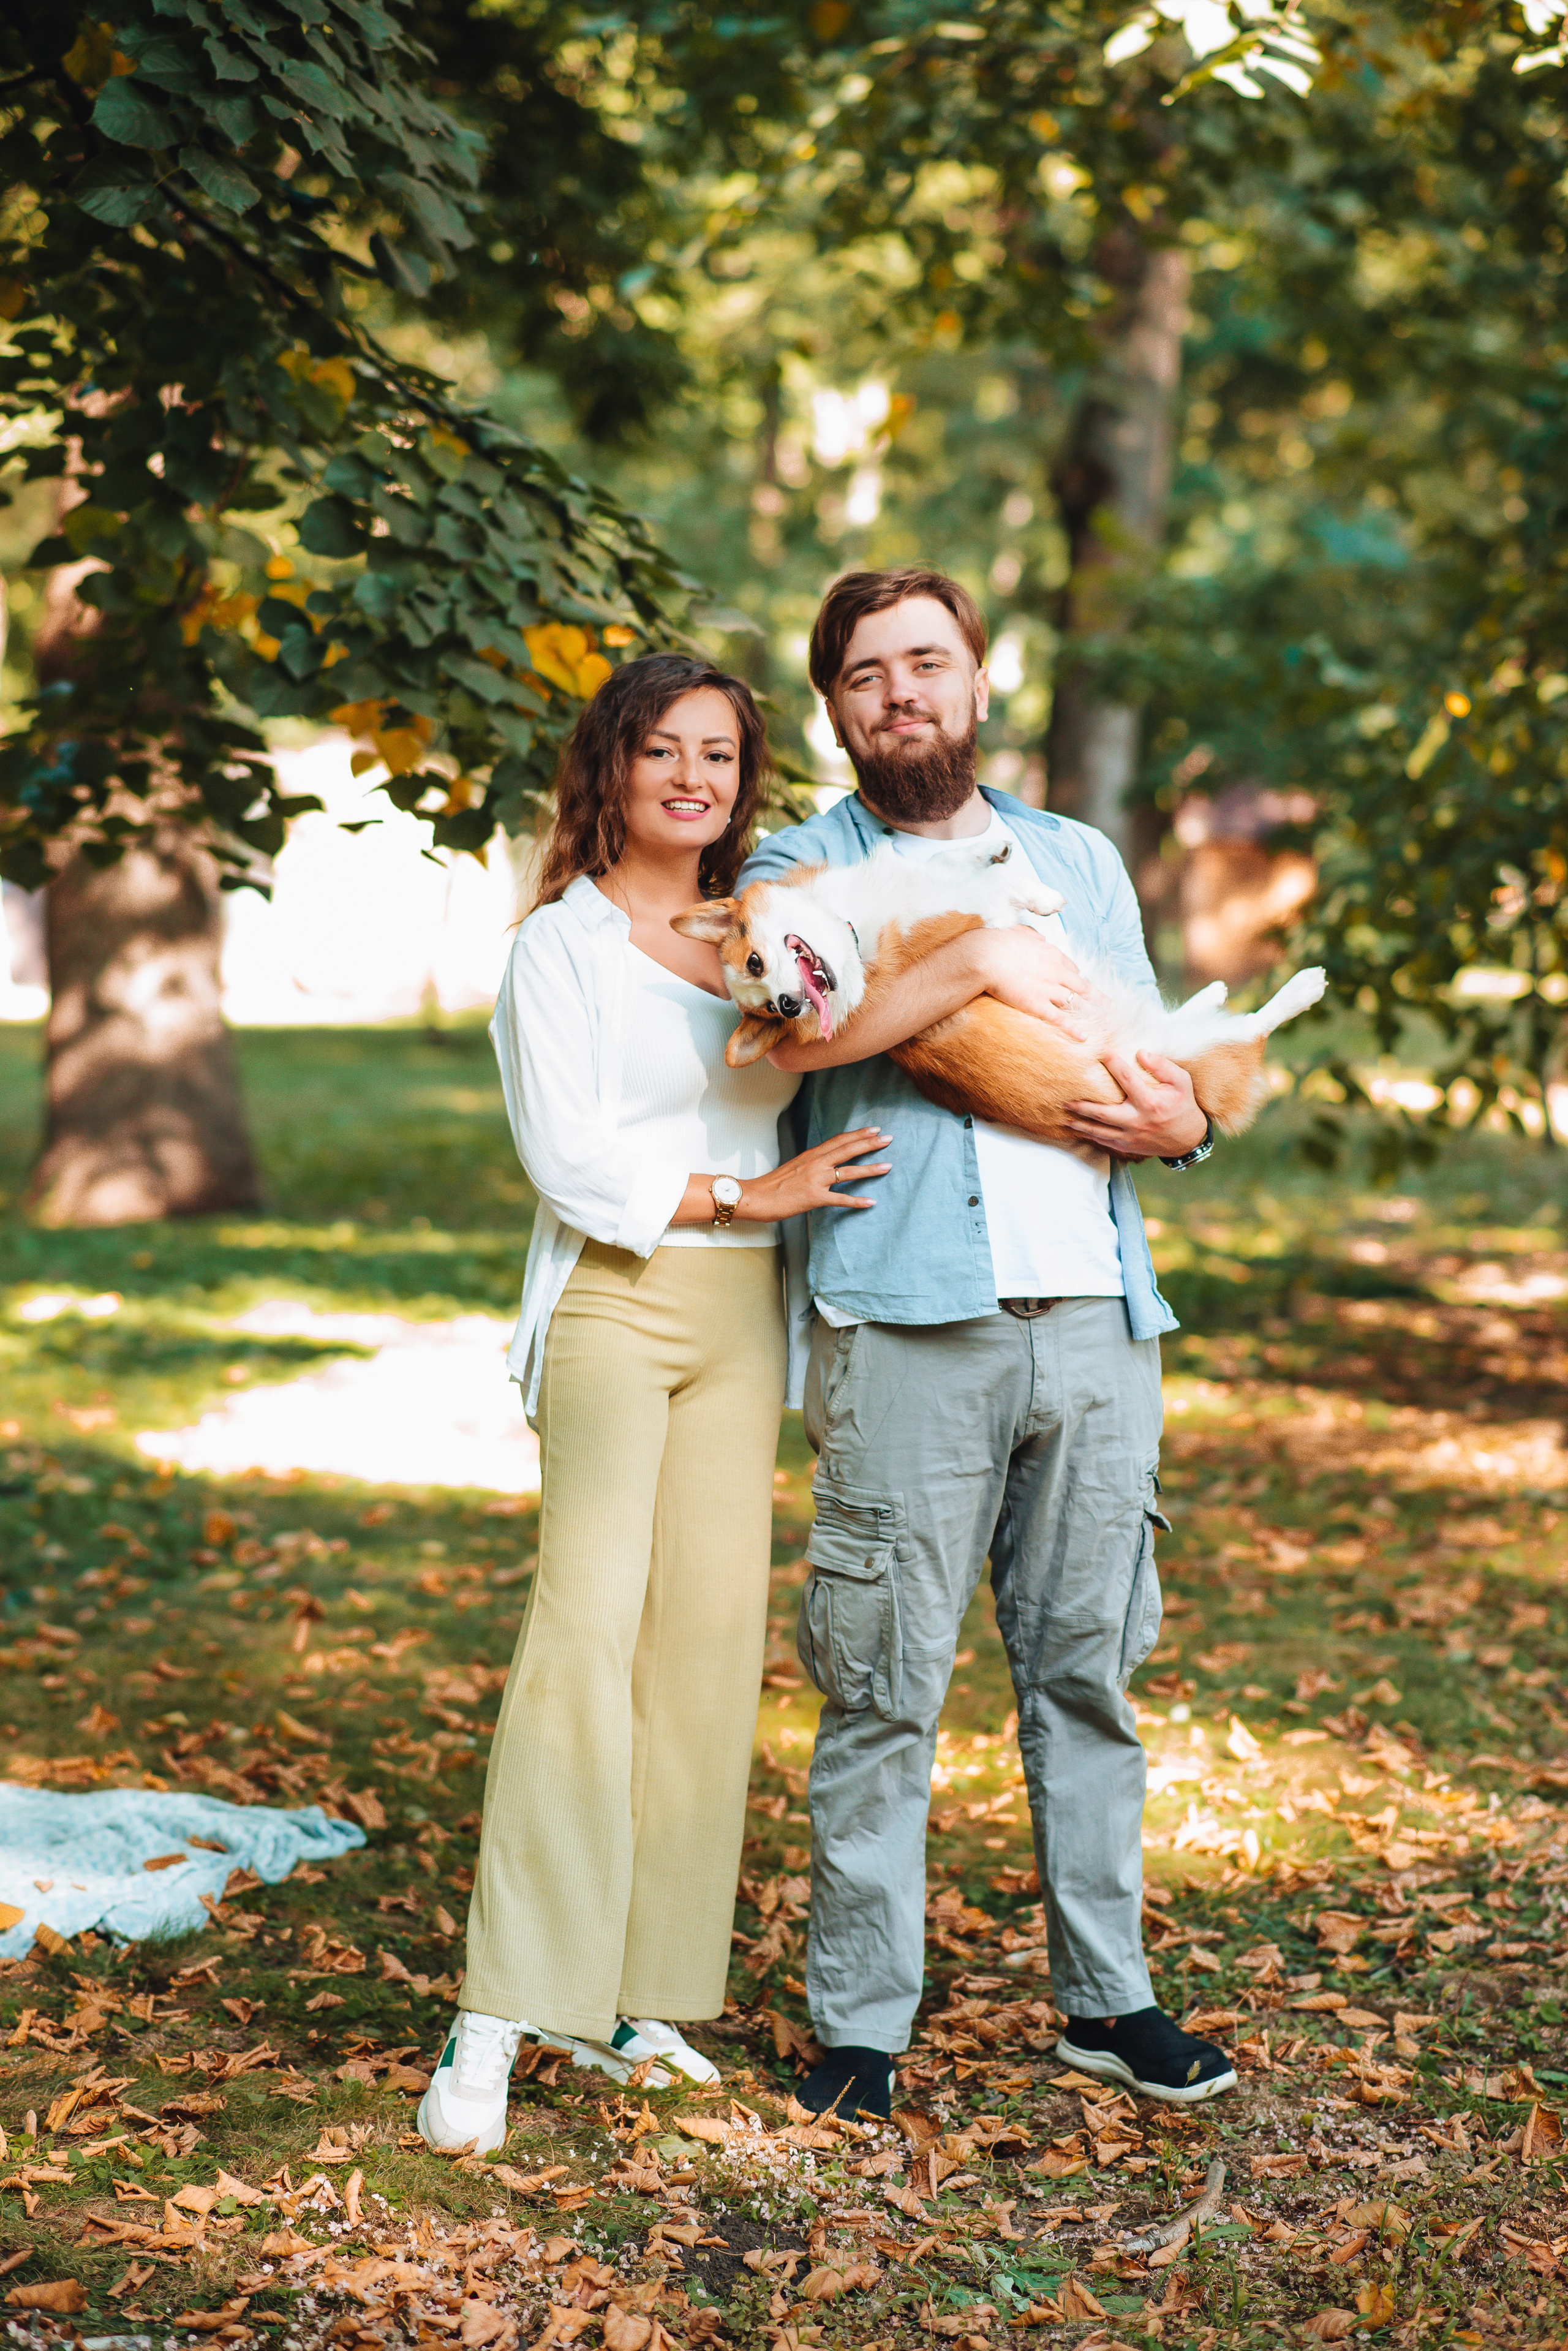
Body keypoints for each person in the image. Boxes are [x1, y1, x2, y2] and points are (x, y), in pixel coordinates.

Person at [737, 567, 1237, 2116]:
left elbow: (1162, 1063)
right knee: (884, 1684)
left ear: (973, 680)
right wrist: (967, 966)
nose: (901, 691)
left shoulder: (1076, 856)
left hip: (1093, 1315)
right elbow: (792, 1026)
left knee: (1087, 1673)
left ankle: (1109, 1999)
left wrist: (1187, 1120)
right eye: (868, 671)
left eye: (926, 662)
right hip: (906, 1322)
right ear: (835, 705)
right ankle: (860, 2026)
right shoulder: (795, 863)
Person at [418, 652, 889, 2154]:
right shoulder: (559, 948)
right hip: (615, 1302)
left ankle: (637, 1998)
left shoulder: (769, 931)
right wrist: (756, 1189)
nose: (695, 779)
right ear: (609, 768)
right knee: (581, 1637)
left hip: (740, 1317)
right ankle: (496, 2012)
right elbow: (566, 1161)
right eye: (663, 751)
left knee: (697, 1656)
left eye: (722, 757)